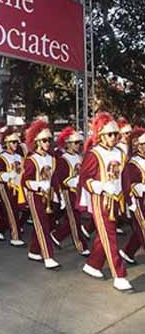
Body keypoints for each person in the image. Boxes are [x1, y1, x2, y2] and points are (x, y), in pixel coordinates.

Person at [77, 112, 132, 292]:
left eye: (117, 134)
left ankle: (93, 264)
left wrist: (128, 199)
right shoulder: (94, 154)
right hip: (100, 199)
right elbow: (84, 179)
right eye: (111, 134)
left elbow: (124, 178)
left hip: (116, 200)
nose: (115, 137)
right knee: (110, 236)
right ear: (101, 134)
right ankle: (119, 274)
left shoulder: (120, 153)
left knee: (104, 237)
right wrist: (101, 186)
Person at [21, 120, 61, 270]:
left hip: (48, 195)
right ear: (37, 141)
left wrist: (58, 195)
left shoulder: (51, 158)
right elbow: (25, 181)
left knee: (47, 224)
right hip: (35, 195)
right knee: (42, 225)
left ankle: (34, 250)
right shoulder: (31, 160)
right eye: (44, 140)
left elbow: (54, 178)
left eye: (50, 140)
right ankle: (48, 256)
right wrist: (39, 185)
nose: (48, 143)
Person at [50, 127, 89, 256]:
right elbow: (61, 180)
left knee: (73, 219)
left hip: (77, 192)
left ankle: (56, 236)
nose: (79, 145)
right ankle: (81, 246)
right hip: (68, 193)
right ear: (68, 144)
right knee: (75, 220)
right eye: (76, 143)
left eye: (80, 143)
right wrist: (77, 180)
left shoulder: (79, 157)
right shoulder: (63, 159)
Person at [0, 127, 26, 247]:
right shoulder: (1, 158)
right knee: (12, 210)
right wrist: (9, 175)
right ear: (6, 143)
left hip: (17, 188)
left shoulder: (19, 157)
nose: (16, 144)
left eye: (17, 142)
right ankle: (15, 236)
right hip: (5, 187)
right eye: (13, 142)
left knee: (10, 212)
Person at [120, 128, 145, 265]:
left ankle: (128, 251)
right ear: (140, 146)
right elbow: (130, 186)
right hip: (139, 203)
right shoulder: (132, 163)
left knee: (139, 231)